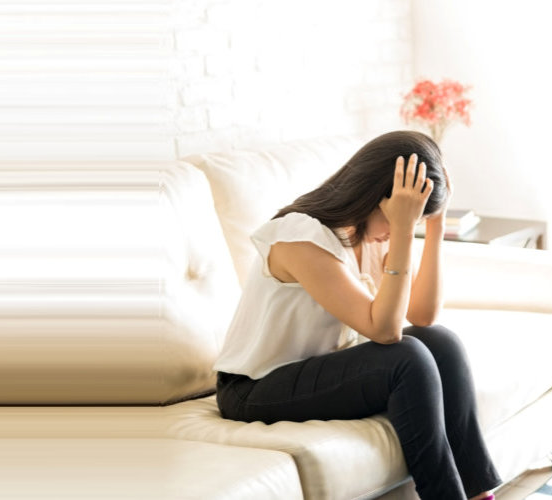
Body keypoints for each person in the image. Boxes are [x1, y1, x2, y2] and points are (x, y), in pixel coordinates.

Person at [213, 131, 500, 500]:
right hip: (253, 388)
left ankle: (479, 495)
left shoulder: (369, 235)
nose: (400, 229)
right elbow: (384, 331)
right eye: (403, 217)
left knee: (439, 341)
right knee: (406, 357)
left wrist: (434, 226)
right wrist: (399, 230)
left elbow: (424, 315)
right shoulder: (301, 236)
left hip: (316, 371)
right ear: (376, 196)